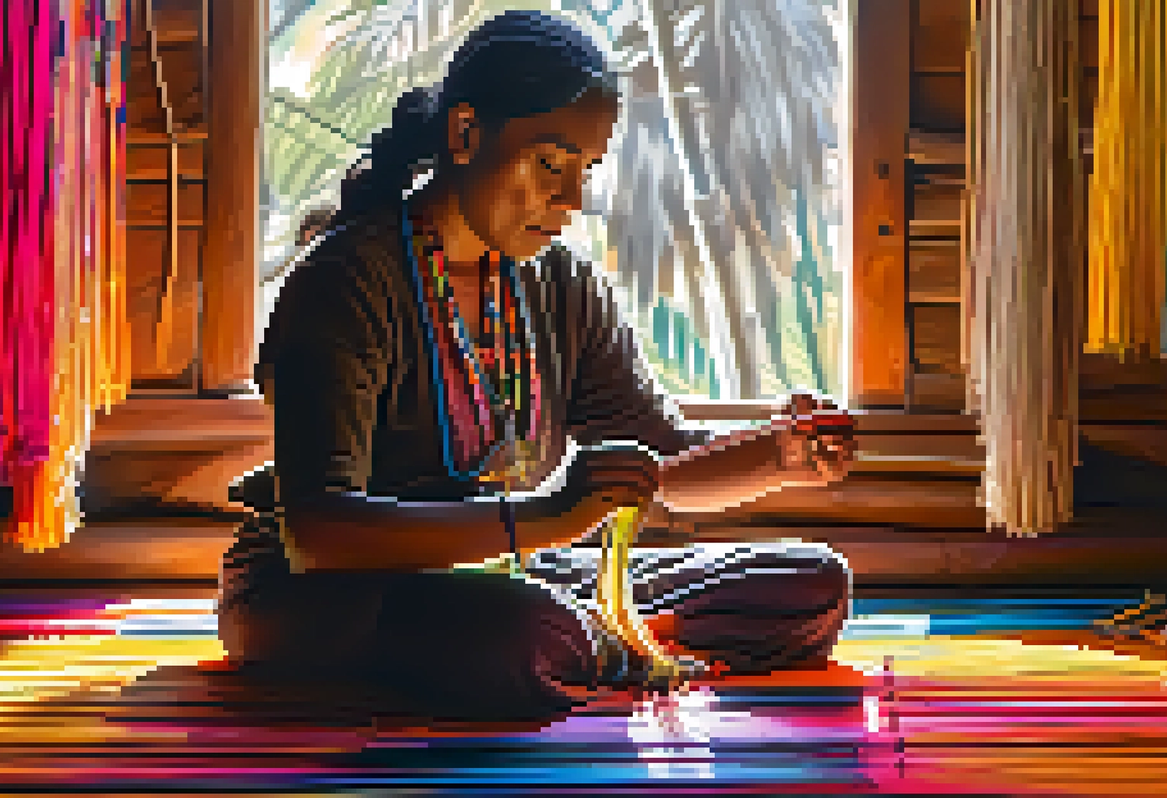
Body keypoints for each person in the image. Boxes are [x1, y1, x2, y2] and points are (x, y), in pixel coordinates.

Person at [219, 10, 856, 720]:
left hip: (510, 574)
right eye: (551, 163)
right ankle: (594, 645)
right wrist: (544, 518)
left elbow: (660, 468)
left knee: (808, 582)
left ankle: (589, 646)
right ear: (465, 134)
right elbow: (317, 535)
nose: (572, 199)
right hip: (334, 593)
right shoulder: (346, 282)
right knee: (515, 630)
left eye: (585, 170)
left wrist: (779, 456)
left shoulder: (560, 286)